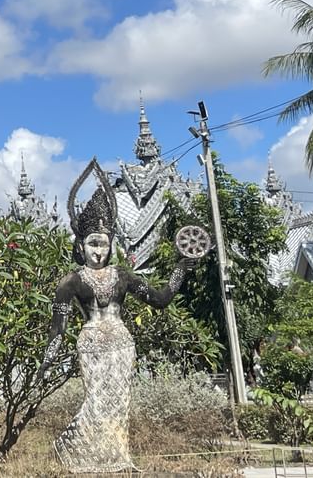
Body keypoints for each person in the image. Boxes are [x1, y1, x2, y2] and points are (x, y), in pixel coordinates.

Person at [41, 159, 205, 473]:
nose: (98, 251)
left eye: (103, 244)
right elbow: (57, 330)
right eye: (92, 244)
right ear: (81, 245)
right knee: (95, 403)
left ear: (111, 245)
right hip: (91, 344)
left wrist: (181, 269)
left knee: (118, 406)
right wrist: (46, 362)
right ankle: (72, 450)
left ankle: (115, 459)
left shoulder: (123, 276)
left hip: (121, 344)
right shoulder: (70, 282)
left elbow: (160, 299)